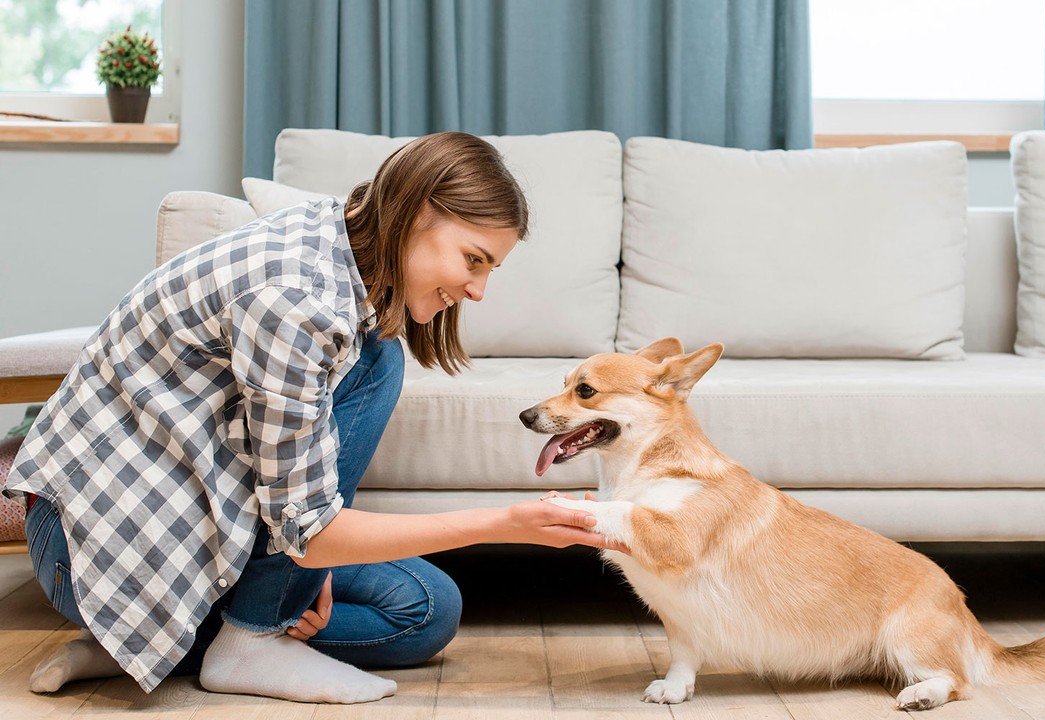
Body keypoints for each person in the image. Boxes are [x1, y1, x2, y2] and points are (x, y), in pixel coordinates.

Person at [7, 132, 620, 704]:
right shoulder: (295, 301)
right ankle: (242, 641)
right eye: (473, 259)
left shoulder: (340, 239)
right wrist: (507, 521)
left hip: (197, 522)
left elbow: (296, 495)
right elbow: (310, 529)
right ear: (415, 213)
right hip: (91, 545)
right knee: (381, 360)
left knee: (427, 609)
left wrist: (300, 563)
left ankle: (152, 643)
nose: (478, 290)